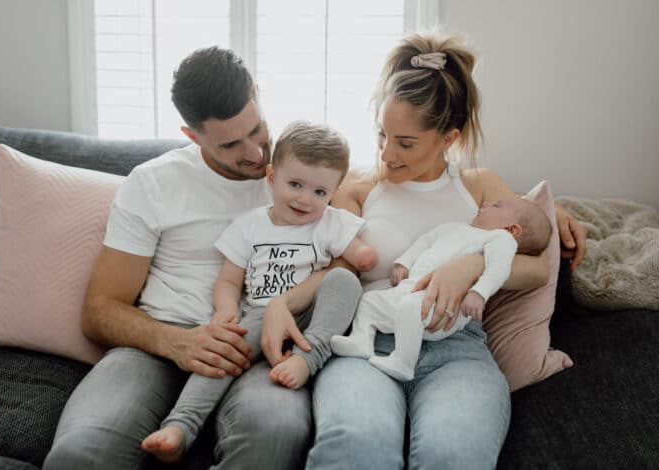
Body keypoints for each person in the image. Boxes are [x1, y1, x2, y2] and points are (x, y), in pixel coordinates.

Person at [43, 47, 361, 470]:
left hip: (260, 348)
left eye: (257, 129)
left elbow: (345, 262)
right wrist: (178, 343)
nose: (254, 153)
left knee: (275, 435)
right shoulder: (154, 183)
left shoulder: (299, 172)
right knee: (80, 454)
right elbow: (99, 310)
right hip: (157, 345)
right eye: (231, 144)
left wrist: (286, 303)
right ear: (193, 136)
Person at [291, 34, 587, 469]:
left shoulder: (479, 186)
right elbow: (335, 275)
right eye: (382, 135)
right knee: (356, 447)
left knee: (454, 455)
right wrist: (282, 305)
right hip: (369, 341)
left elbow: (535, 267)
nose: (387, 153)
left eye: (405, 143)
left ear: (449, 138)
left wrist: (469, 266)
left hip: (457, 351)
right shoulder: (356, 190)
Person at [140, 121, 377, 463]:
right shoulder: (250, 225)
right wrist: (225, 310)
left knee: (344, 282)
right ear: (270, 176)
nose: (304, 199)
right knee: (223, 348)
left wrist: (363, 254)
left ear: (334, 191)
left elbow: (359, 258)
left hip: (310, 317)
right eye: (294, 184)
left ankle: (306, 359)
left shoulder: (331, 222)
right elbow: (228, 281)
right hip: (259, 314)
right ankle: (181, 425)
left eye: (319, 192)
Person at [331, 197, 552, 381]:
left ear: (512, 229)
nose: (484, 206)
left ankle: (404, 362)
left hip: (445, 309)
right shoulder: (454, 228)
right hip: (409, 291)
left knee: (411, 308)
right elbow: (425, 241)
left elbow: (498, 269)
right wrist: (403, 263)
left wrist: (479, 293)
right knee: (369, 301)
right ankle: (361, 340)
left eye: (495, 206)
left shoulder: (500, 239)